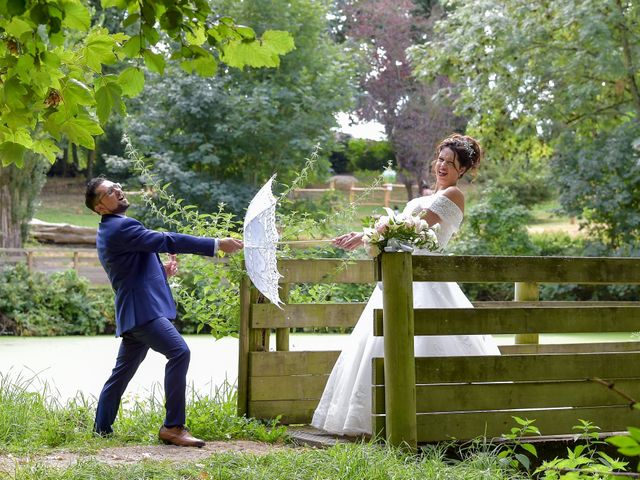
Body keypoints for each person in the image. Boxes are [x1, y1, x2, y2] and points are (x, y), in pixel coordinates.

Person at [311, 134, 501, 436]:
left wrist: (366, 234)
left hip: (428, 280)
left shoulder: (453, 196)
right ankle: (379, 419)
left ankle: (435, 422)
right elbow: (399, 230)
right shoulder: (422, 196)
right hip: (398, 277)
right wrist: (366, 234)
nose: (442, 166)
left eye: (450, 163)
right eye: (440, 159)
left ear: (462, 170)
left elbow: (412, 229)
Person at [85, 178, 243, 447]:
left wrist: (162, 272)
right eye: (110, 192)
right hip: (145, 311)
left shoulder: (112, 229)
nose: (118, 191)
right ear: (100, 208)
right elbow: (165, 240)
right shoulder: (122, 226)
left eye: (117, 186)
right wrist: (215, 244)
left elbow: (131, 267)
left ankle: (101, 429)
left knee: (121, 373)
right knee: (179, 352)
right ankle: (172, 427)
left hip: (135, 311)